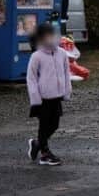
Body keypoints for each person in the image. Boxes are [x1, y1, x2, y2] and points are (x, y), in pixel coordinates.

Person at [26, 22, 72, 166]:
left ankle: (37, 143)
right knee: (44, 125)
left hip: (56, 95)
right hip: (43, 97)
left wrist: (66, 91)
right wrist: (35, 98)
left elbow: (66, 73)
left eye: (52, 34)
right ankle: (45, 154)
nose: (51, 38)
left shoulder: (62, 54)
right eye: (47, 35)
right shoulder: (37, 56)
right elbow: (31, 78)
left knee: (54, 124)